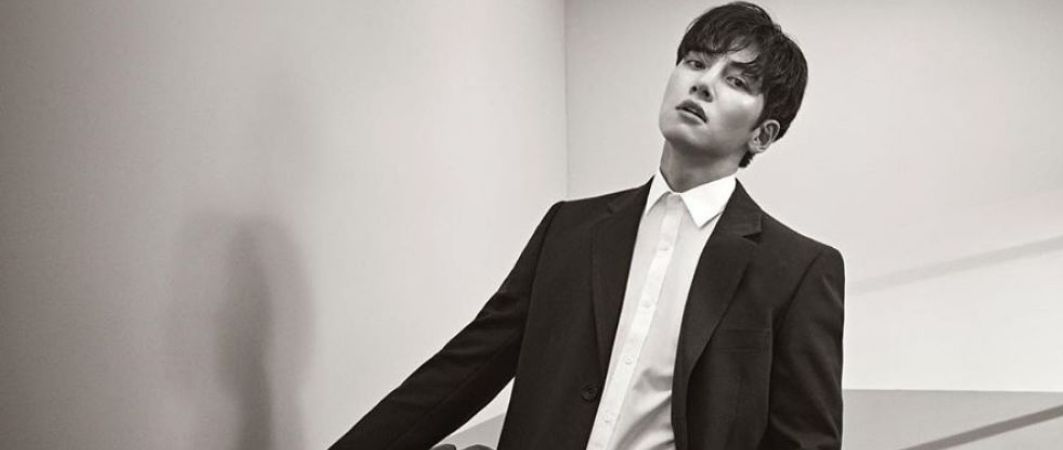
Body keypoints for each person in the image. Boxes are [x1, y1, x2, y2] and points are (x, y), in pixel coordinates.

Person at [333, 3, 843, 449]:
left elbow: (805, 442)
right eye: (695, 61)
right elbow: (465, 369)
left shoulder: (798, 270)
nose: (702, 83)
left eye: (736, 81)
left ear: (762, 135)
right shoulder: (569, 229)